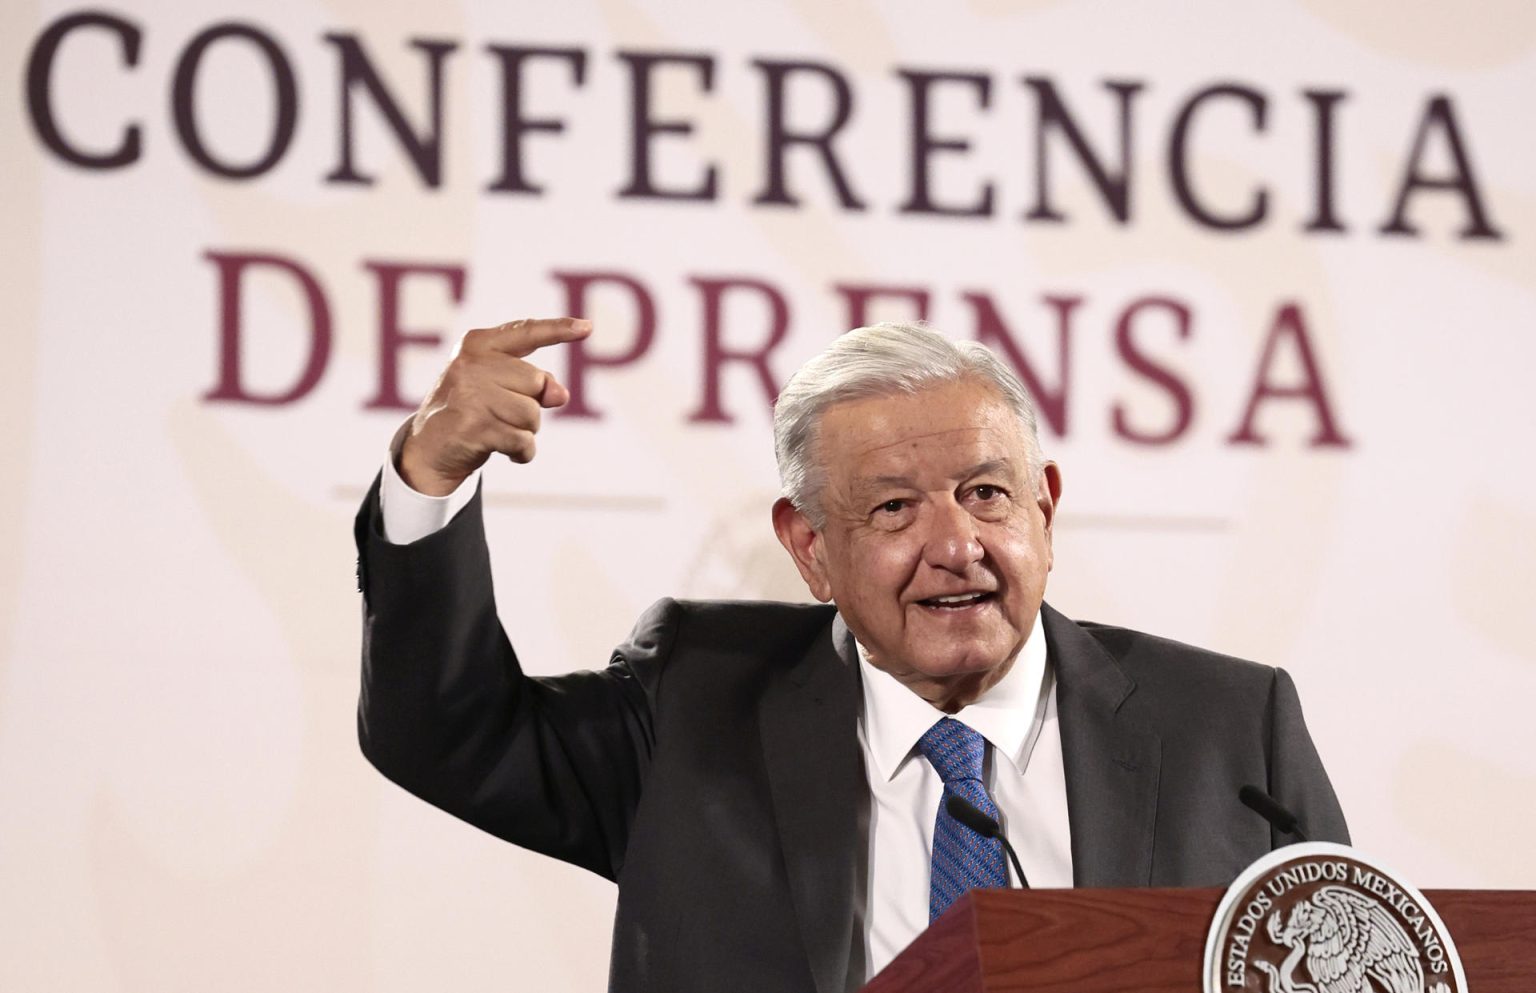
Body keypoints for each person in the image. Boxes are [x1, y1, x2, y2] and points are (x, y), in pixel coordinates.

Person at [355, 318, 1348, 993]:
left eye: (988, 493)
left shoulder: (1227, 727)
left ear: (1045, 506)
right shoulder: (696, 706)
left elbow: (1358, 956)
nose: (957, 544)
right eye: (892, 507)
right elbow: (445, 731)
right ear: (811, 548)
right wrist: (430, 474)